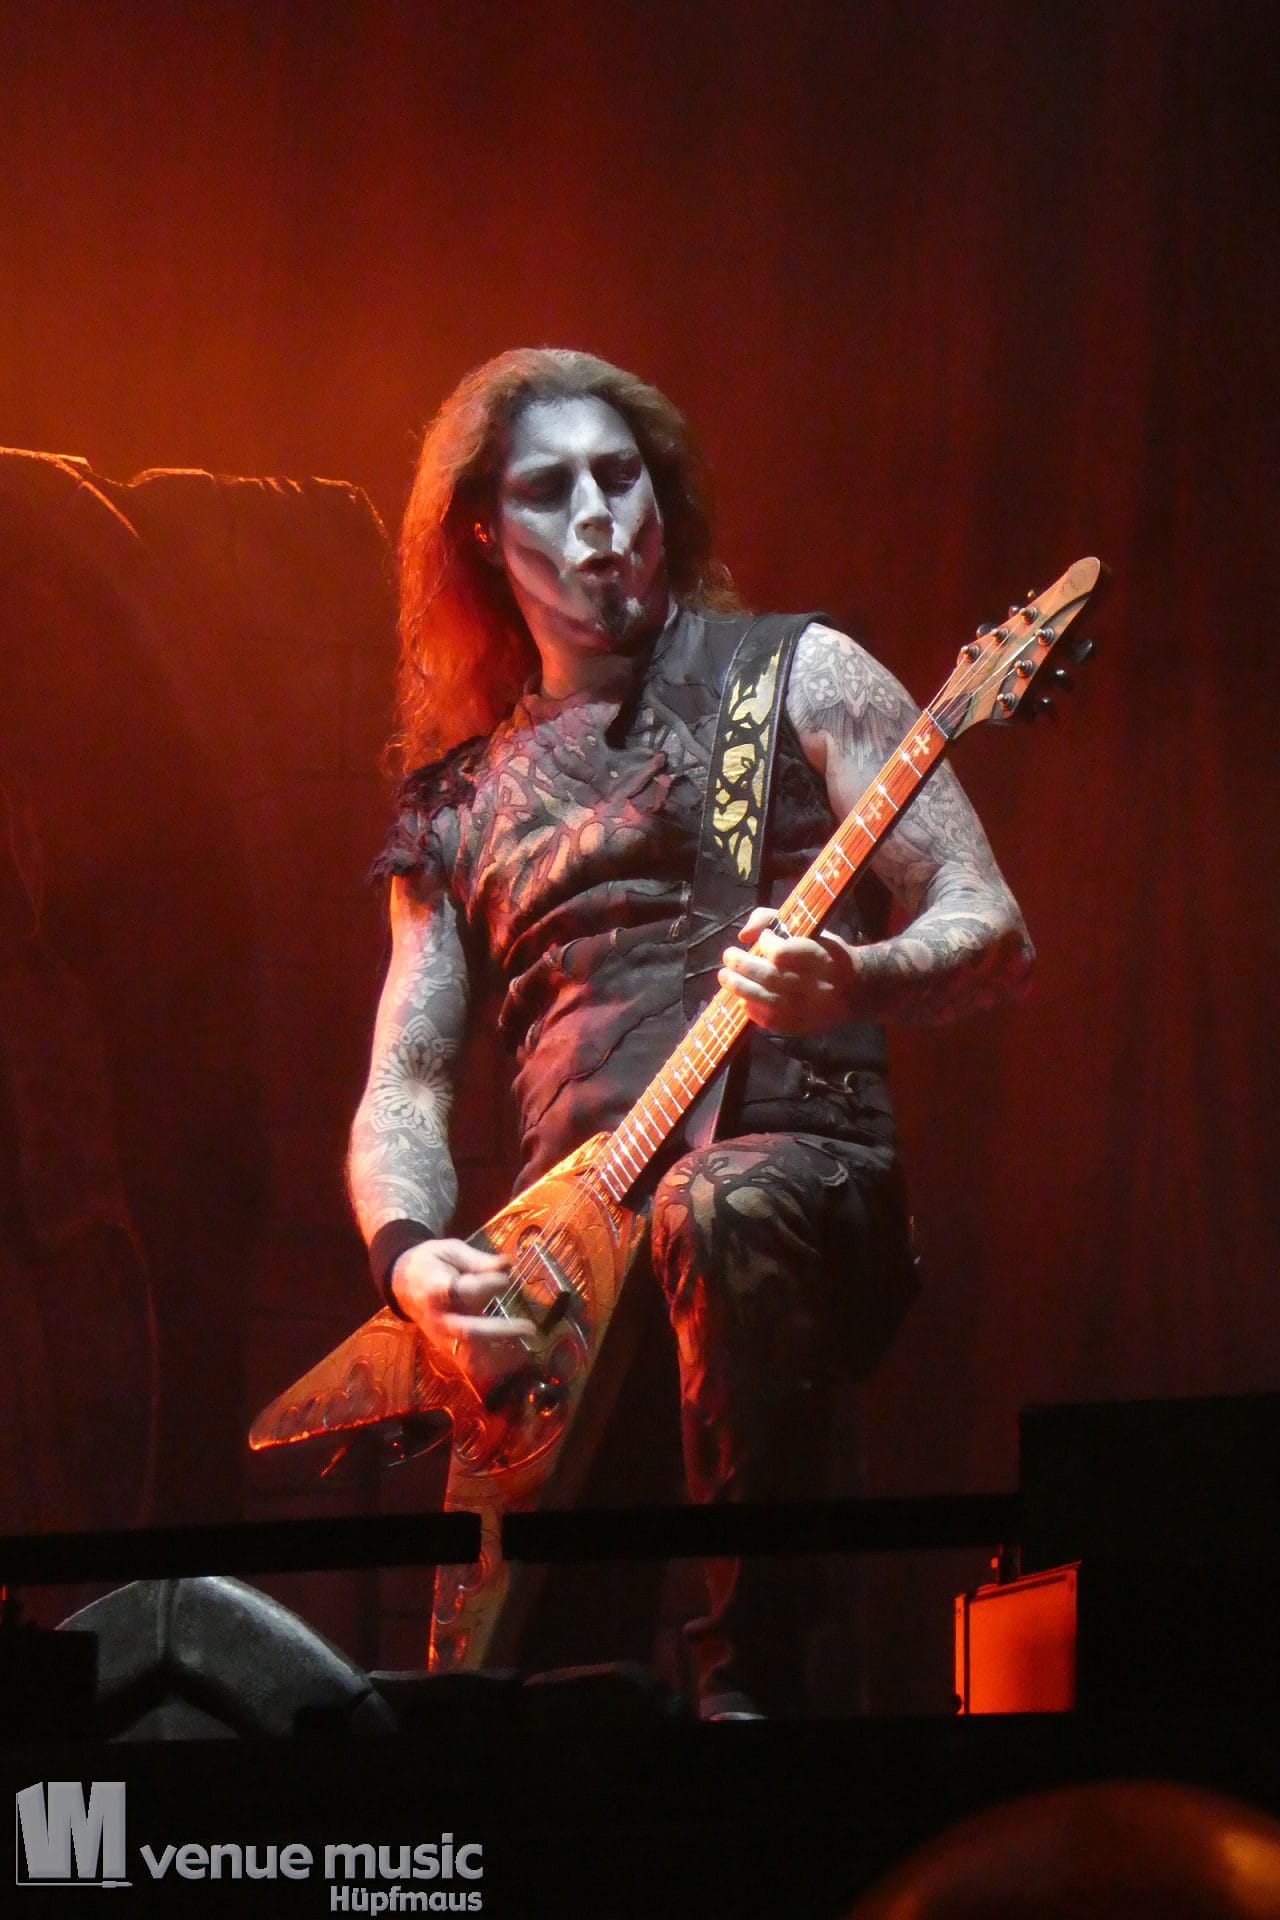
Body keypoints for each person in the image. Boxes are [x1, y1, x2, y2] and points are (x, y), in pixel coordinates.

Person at [347, 348, 1032, 1719]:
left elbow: (990, 922)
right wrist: (409, 1256)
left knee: (714, 1205)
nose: (599, 514)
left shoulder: (796, 674)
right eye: (550, 489)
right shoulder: (455, 806)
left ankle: (752, 1698)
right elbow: (406, 1084)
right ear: (482, 532)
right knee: (516, 1698)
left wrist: (857, 977)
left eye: (623, 476)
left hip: (792, 1174)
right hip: (571, 1254)